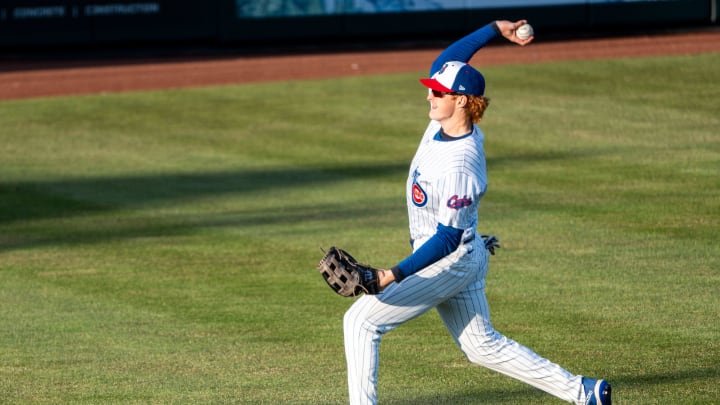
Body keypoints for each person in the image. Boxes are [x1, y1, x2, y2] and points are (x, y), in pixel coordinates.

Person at [343, 19, 612, 405]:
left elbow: (446, 238)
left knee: (360, 323)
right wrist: (492, 29)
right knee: (482, 346)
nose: (429, 96)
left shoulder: (461, 165)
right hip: (464, 252)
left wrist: (390, 275)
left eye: (438, 92)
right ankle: (585, 392)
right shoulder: (443, 122)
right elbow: (447, 60)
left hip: (448, 260)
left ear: (463, 101)